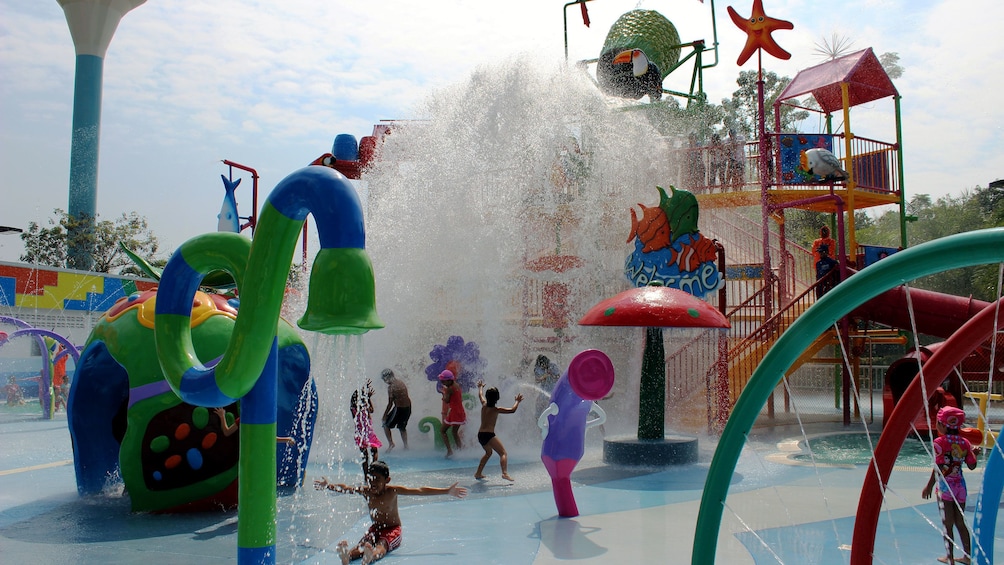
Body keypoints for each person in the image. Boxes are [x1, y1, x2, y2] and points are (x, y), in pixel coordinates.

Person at [314, 461, 468, 564]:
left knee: (382, 544)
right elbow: (346, 488)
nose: (373, 483)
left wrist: (446, 491)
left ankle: (371, 556)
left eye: (377, 479)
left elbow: (419, 491)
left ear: (387, 480)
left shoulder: (392, 491)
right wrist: (328, 485)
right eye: (371, 479)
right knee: (362, 544)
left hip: (392, 530)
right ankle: (347, 556)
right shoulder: (366, 491)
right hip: (376, 528)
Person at [922, 406, 978, 565]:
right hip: (960, 486)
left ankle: (950, 557)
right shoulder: (965, 442)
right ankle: (967, 556)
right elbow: (972, 465)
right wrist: (974, 453)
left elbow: (939, 467)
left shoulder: (939, 442)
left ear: (942, 425)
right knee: (960, 521)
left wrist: (929, 486)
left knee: (948, 523)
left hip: (946, 488)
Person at [474, 380, 523, 481]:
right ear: (497, 398)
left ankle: (478, 473)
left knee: (488, 453)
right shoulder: (496, 409)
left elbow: (480, 395)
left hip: (480, 434)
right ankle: (504, 473)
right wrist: (517, 401)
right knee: (503, 453)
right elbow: (512, 410)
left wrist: (480, 387)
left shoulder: (484, 405)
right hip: (489, 435)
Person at [351, 381, 382, 467]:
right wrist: (368, 398)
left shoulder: (353, 408)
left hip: (359, 433)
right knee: (374, 450)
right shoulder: (365, 407)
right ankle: (373, 469)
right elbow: (371, 410)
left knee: (364, 456)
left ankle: (365, 476)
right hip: (368, 431)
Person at [379, 369, 411, 451]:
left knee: (385, 424)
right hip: (408, 408)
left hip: (399, 409)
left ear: (387, 378)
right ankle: (406, 446)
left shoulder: (391, 387)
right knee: (402, 427)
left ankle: (391, 444)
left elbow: (390, 404)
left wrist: (384, 415)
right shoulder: (401, 382)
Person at [439, 370, 465, 457]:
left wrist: (443, 393)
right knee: (454, 432)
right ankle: (460, 449)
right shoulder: (456, 385)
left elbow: (447, 400)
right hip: (460, 411)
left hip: (454, 412)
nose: (443, 383)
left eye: (443, 381)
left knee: (442, 431)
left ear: (449, 380)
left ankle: (449, 451)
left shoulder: (449, 389)